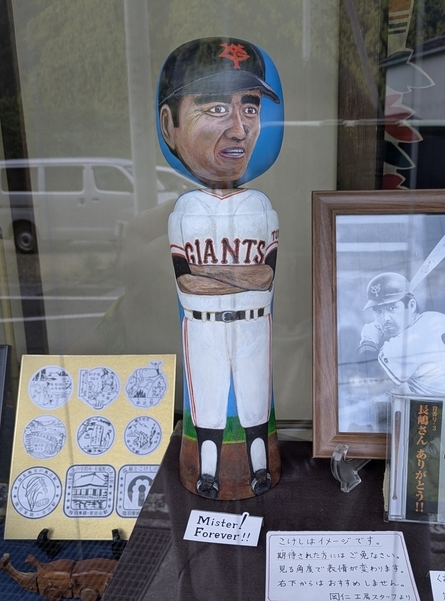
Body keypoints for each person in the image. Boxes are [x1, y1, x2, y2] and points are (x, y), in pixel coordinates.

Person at [157, 37, 281, 499]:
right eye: (214, 108)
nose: (238, 128)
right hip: (202, 325)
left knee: (255, 403)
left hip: (254, 323)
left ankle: (259, 471)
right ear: (168, 126)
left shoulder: (261, 205)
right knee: (206, 405)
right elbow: (187, 285)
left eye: (249, 108)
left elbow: (264, 279)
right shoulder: (185, 209)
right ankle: (205, 474)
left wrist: (213, 274)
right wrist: (233, 278)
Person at [358, 271, 445, 397]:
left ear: (411, 305)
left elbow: (370, 381)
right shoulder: (436, 318)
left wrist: (369, 339)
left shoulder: (409, 341)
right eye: (378, 311)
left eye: (392, 308)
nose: (385, 318)